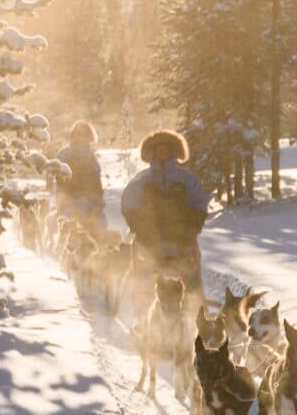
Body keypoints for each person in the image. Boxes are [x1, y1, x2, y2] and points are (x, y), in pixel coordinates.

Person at [121, 128, 211, 300]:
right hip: (149, 241)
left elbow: (200, 203)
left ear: (174, 152)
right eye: (158, 150)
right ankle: (142, 315)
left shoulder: (187, 178)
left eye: (166, 149)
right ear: (152, 153)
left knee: (192, 273)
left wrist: (192, 227)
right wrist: (140, 228)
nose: (162, 153)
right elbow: (128, 204)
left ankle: (196, 309)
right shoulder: (141, 180)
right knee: (142, 277)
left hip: (181, 240)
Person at [52, 120, 105, 225]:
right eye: (80, 135)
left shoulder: (90, 156)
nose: (82, 138)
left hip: (86, 203)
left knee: (99, 224)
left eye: (85, 136)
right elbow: (60, 181)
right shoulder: (66, 154)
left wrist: (97, 199)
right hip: (72, 203)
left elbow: (96, 180)